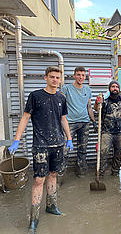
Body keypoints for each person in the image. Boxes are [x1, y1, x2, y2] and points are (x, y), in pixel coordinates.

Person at [8, 66, 73, 233]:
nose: (55, 80)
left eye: (58, 78)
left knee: (53, 175)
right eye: (52, 77)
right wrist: (16, 140)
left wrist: (69, 138)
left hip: (58, 144)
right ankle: (34, 218)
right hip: (41, 145)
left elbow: (63, 119)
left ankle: (51, 205)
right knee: (38, 180)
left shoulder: (61, 97)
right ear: (45, 78)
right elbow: (25, 117)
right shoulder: (35, 96)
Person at [61, 66, 96, 177]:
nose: (81, 77)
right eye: (78, 75)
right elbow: (60, 105)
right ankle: (60, 173)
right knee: (65, 150)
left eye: (83, 75)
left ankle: (81, 170)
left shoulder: (88, 89)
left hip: (84, 123)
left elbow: (89, 106)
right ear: (74, 75)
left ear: (85, 77)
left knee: (83, 148)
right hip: (70, 123)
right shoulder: (66, 89)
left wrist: (94, 121)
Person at [94, 80, 121, 176]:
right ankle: (100, 173)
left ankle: (115, 172)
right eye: (113, 86)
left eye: (117, 87)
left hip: (120, 132)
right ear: (109, 88)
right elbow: (97, 109)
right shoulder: (104, 100)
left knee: (119, 153)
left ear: (119, 89)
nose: (115, 88)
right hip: (106, 132)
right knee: (103, 152)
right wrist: (97, 102)